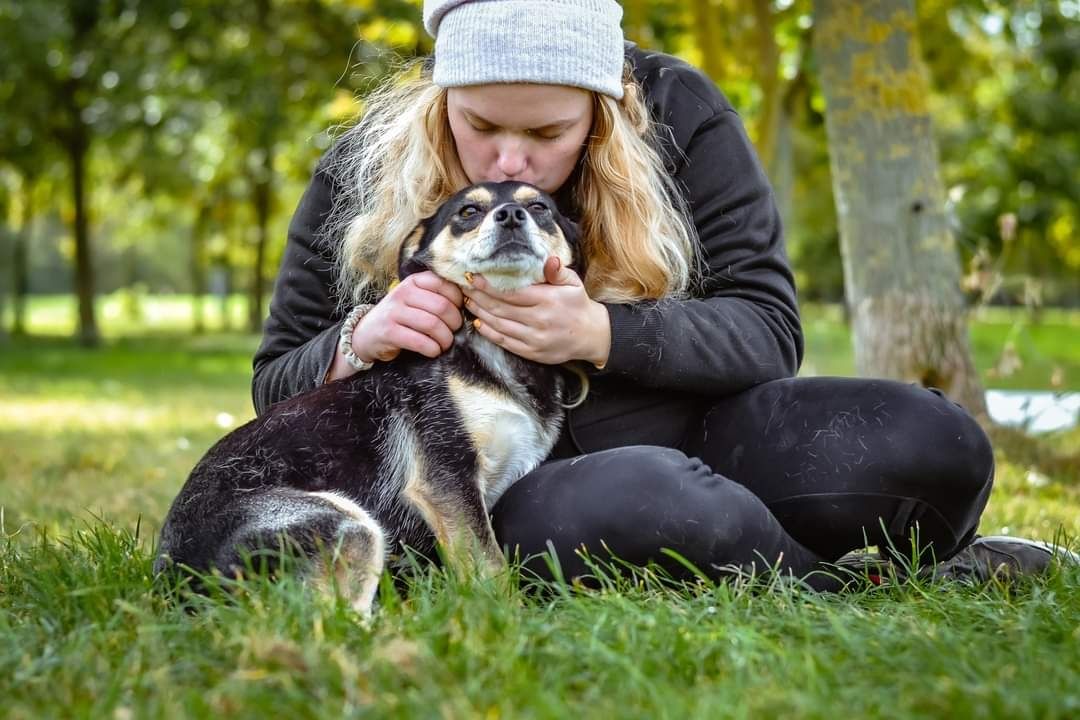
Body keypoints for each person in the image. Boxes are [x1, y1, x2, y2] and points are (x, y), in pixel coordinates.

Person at [252, 0, 1072, 590]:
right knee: (647, 496)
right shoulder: (365, 165)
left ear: (603, 114)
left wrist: (602, 333)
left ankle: (850, 546)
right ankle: (861, 584)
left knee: (932, 441)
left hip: (705, 429)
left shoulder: (681, 109)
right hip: (497, 491)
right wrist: (362, 338)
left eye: (546, 134)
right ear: (442, 103)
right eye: (480, 127)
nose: (509, 163)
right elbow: (273, 383)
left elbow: (768, 329)